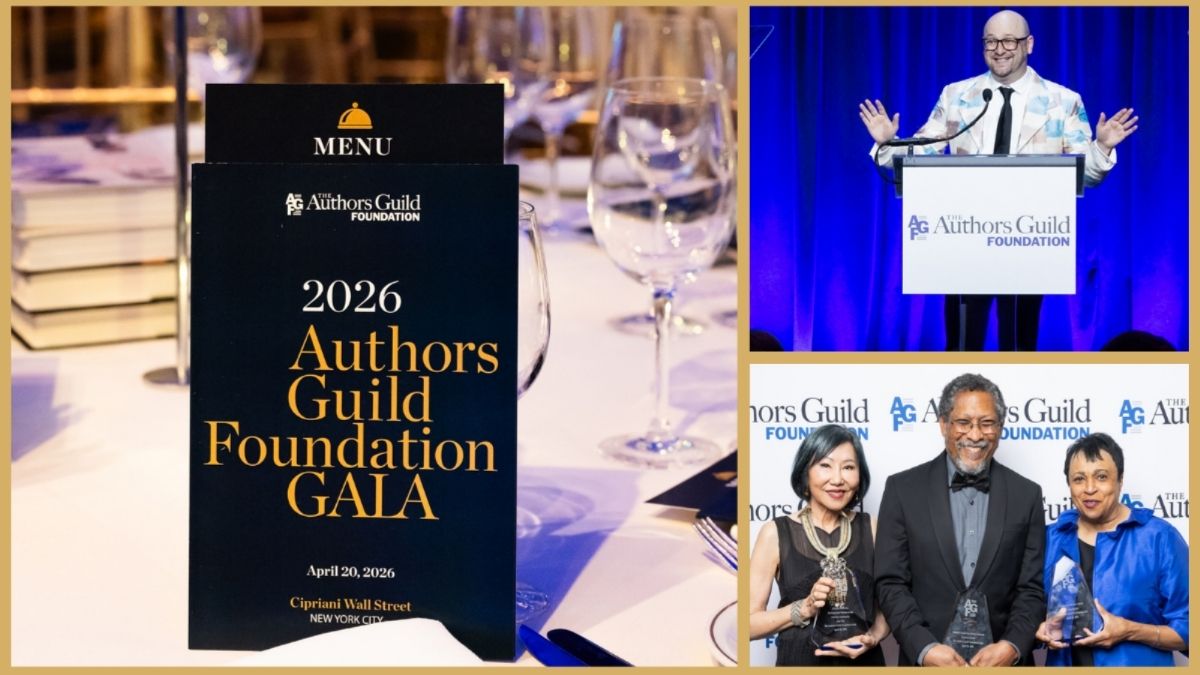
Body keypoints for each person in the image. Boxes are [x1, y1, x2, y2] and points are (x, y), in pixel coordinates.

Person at [858, 10, 1139, 352]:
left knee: (1019, 343)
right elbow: (922, 156)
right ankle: (960, 403)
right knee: (962, 342)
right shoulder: (958, 96)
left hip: (1028, 240)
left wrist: (1102, 147)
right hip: (964, 237)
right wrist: (889, 143)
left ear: (1029, 44)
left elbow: (1086, 174)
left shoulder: (1062, 102)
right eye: (990, 41)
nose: (999, 49)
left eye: (1008, 40)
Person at [874, 373, 1045, 666]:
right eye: (964, 423)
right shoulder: (902, 489)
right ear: (944, 424)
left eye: (987, 423)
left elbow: (1031, 588)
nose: (976, 435)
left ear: (1000, 428)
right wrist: (924, 648)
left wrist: (1012, 646)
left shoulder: (1027, 494)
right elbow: (891, 583)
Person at [1035, 433, 1188, 665]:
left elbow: (1190, 629)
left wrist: (1131, 631)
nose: (1089, 489)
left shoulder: (1159, 538)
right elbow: (1024, 614)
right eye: (1078, 479)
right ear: (1069, 484)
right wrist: (1040, 630)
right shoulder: (1050, 539)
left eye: (1101, 477)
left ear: (1120, 480)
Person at [749, 424, 890, 665]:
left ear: (859, 474)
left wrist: (873, 636)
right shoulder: (775, 533)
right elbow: (747, 625)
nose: (837, 479)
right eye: (825, 465)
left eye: (848, 467)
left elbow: (891, 602)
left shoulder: (873, 529)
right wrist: (803, 609)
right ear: (806, 472)